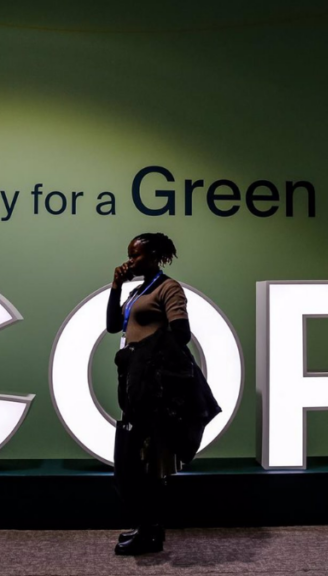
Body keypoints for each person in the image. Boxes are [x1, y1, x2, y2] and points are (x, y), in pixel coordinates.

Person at [105, 232, 220, 556]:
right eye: (129, 255)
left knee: (149, 459)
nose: (131, 261)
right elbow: (114, 325)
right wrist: (116, 287)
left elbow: (181, 334)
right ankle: (145, 526)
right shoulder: (138, 290)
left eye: (137, 255)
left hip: (154, 386)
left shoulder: (168, 288)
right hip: (133, 380)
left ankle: (151, 532)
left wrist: (144, 352)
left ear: (156, 255)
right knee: (135, 459)